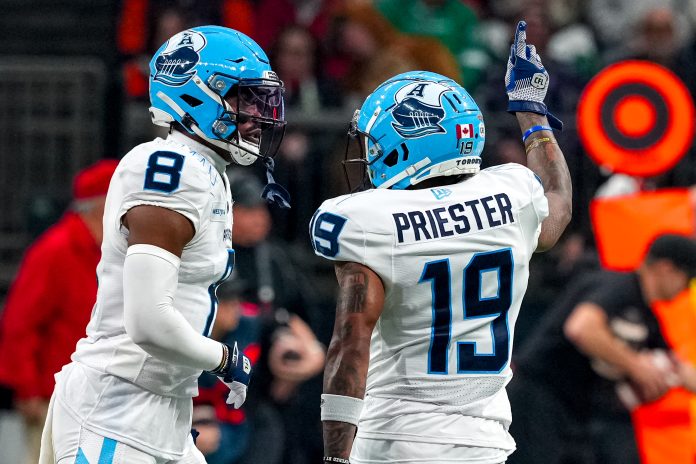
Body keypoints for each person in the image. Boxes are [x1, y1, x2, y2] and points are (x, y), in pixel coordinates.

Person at [311, 20, 572, 463]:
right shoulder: (512, 195)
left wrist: (336, 456)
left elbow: (349, 345)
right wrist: (531, 113)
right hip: (483, 444)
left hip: (396, 442)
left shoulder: (368, 220)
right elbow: (557, 203)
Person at [38, 25, 287, 464]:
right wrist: (224, 358)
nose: (255, 116)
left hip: (163, 406)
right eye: (243, 100)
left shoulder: (207, 170)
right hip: (117, 408)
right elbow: (148, 320)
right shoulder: (171, 167)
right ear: (196, 96)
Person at [507, 233, 696, 464]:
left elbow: (680, 368)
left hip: (575, 411)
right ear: (666, 269)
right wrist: (635, 366)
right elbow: (581, 328)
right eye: (687, 279)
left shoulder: (647, 316)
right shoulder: (618, 287)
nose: (685, 290)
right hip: (538, 396)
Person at [0, 159, 117, 464]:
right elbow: (20, 324)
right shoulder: (56, 250)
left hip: (98, 400)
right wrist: (27, 389)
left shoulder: (106, 251)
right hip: (53, 399)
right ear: (104, 205)